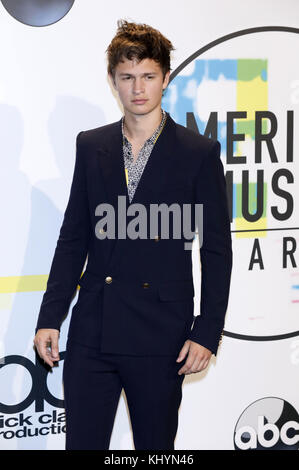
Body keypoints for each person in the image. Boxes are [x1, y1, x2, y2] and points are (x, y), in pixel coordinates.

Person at [34, 19, 233, 450]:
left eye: (147, 76)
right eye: (127, 77)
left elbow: (217, 249)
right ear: (113, 81)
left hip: (162, 335)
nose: (138, 88)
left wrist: (208, 329)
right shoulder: (91, 146)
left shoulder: (198, 153)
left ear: (165, 79)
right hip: (93, 331)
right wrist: (51, 317)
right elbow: (73, 239)